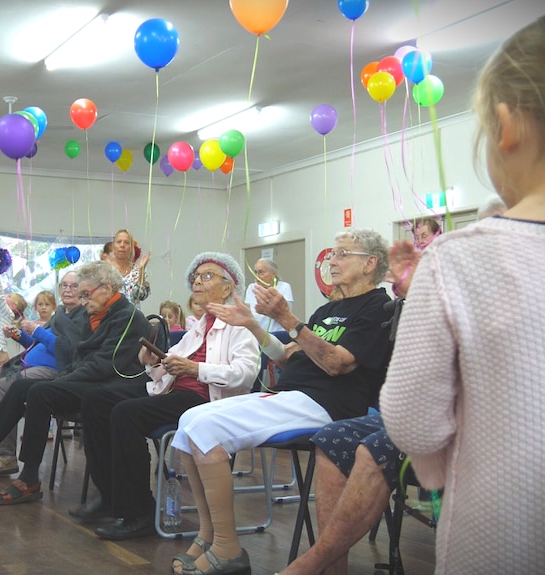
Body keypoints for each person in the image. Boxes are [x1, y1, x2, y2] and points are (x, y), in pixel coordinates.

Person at [381, 17, 545, 574]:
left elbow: (411, 421)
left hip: (502, 533)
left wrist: (433, 469)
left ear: (505, 125)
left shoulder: (459, 259)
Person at [278, 196, 506, 575]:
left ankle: (314, 562)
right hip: (438, 409)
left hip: (489, 418)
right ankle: (333, 568)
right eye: (488, 230)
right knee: (332, 438)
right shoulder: (463, 289)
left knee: (376, 446)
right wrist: (417, 298)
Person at [170, 229, 393, 575]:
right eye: (332, 253)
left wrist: (288, 319)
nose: (331, 261)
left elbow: (336, 364)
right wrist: (254, 326)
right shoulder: (328, 310)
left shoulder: (378, 307)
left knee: (205, 427)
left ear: (370, 264)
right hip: (290, 395)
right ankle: (210, 534)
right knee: (189, 421)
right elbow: (288, 358)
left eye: (341, 253)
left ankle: (228, 549)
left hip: (327, 403)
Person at [0, 261, 149, 506]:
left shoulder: (127, 317)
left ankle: (29, 477)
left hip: (108, 387)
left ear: (106, 288)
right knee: (21, 386)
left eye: (86, 294)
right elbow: (82, 358)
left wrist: (63, 379)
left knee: (40, 392)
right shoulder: (99, 314)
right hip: (92, 381)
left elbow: (104, 366)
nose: (83, 300)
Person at [76, 253, 260, 541]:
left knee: (126, 413)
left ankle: (139, 513)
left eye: (207, 276)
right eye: (197, 277)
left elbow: (246, 374)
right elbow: (169, 367)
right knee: (96, 399)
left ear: (228, 287)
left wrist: (196, 368)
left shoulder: (241, 326)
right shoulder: (198, 327)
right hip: (176, 391)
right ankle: (111, 496)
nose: (198, 281)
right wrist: (152, 361)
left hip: (206, 401)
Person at [0, 285, 75, 477]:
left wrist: (37, 332)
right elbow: (36, 345)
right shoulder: (59, 315)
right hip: (28, 365)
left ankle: (6, 455)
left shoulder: (79, 319)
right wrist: (20, 335)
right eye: (64, 285)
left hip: (54, 370)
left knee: (4, 385)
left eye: (73, 286)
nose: (67, 290)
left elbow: (65, 350)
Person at [243, 258, 294, 333]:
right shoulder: (252, 288)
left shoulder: (284, 287)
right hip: (256, 334)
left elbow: (286, 313)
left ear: (274, 273)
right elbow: (247, 313)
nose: (257, 276)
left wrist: (265, 311)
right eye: (255, 272)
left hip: (277, 334)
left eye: (261, 272)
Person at [108, 229, 151, 307]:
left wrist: (141, 270)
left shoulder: (137, 271)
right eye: (119, 242)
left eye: (126, 243)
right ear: (113, 247)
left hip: (133, 317)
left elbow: (141, 296)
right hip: (111, 317)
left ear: (131, 248)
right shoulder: (105, 270)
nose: (122, 245)